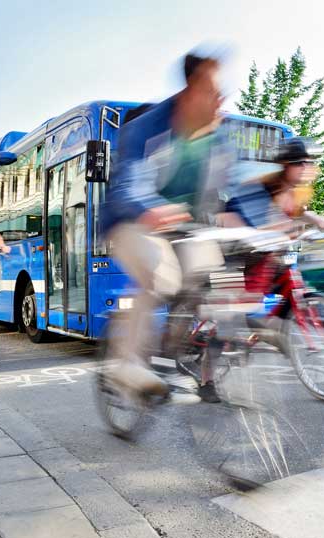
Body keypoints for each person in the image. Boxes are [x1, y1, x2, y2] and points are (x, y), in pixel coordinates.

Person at [99, 45, 234, 403]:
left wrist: (241, 218)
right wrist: (151, 208)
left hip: (184, 227)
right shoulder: (147, 128)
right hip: (132, 220)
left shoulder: (217, 139)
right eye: (212, 90)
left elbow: (226, 192)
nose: (221, 98)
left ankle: (177, 354)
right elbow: (129, 182)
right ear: (189, 91)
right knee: (160, 276)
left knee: (221, 278)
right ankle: (125, 363)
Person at [218, 136, 324, 232]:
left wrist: (319, 220)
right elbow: (227, 219)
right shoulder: (257, 190)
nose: (305, 167)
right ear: (284, 165)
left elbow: (299, 213)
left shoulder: (297, 192)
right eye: (299, 163)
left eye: (310, 163)